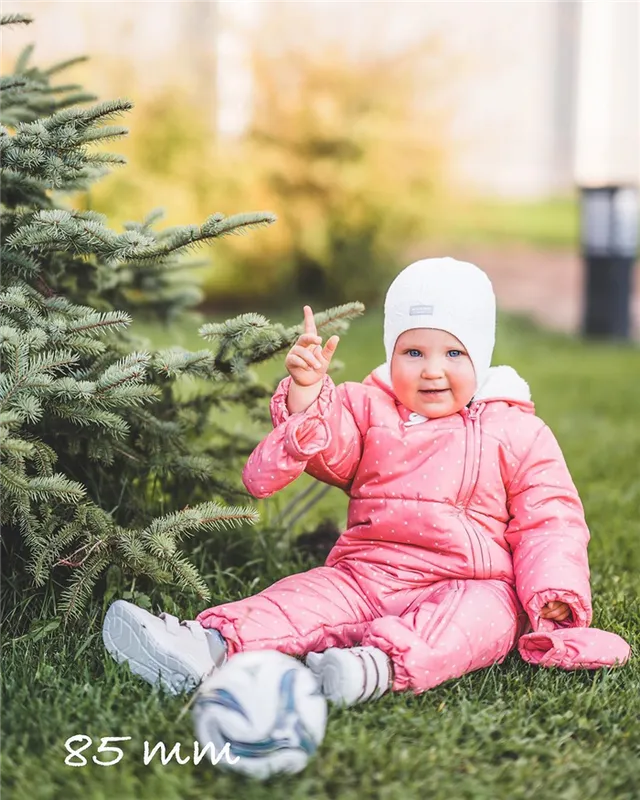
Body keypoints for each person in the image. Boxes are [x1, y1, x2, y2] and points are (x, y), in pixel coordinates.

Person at [102, 257, 629, 704]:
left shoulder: (515, 429)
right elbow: (330, 446)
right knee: (302, 600)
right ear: (391, 351)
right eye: (413, 352)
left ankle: (370, 668)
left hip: (469, 581)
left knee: (484, 620)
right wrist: (308, 395)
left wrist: (554, 591)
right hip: (368, 571)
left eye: (453, 353)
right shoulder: (368, 406)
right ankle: (204, 645)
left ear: (481, 355)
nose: (431, 371)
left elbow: (551, 517)